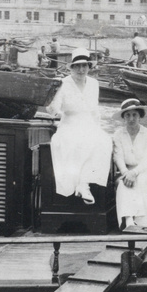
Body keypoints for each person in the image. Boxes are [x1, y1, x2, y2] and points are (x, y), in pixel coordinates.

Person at [47, 48, 112, 204]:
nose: (81, 69)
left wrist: (98, 128)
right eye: (77, 66)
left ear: (89, 67)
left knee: (104, 141)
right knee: (73, 143)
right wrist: (52, 99)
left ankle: (83, 184)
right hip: (69, 124)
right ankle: (80, 186)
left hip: (89, 124)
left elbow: (95, 111)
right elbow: (53, 110)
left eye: (85, 66)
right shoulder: (63, 83)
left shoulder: (94, 84)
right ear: (72, 68)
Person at [112, 98, 147, 232]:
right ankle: (128, 222)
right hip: (126, 171)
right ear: (123, 118)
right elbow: (118, 156)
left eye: (134, 115)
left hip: (146, 172)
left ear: (140, 116)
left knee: (140, 181)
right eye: (128, 115)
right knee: (123, 184)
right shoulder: (118, 134)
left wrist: (134, 173)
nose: (131, 118)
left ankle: (143, 222)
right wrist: (125, 172)